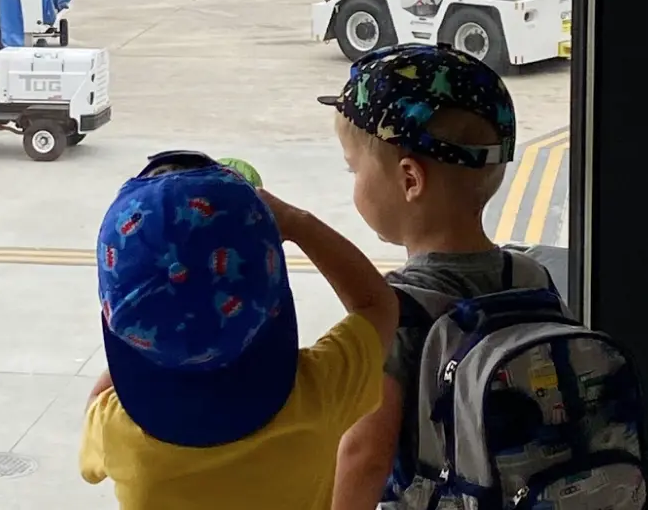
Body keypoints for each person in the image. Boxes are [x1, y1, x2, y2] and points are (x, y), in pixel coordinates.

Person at [79, 150, 399, 510]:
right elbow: (377, 304)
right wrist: (296, 222)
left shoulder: (117, 430)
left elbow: (96, 409)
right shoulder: (318, 393)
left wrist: (147, 342)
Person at [315, 43, 558, 510]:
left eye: (353, 168)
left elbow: (364, 454)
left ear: (410, 180)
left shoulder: (396, 309)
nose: (353, 181)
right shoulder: (531, 275)